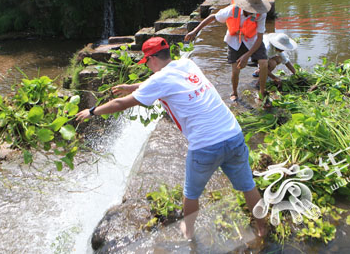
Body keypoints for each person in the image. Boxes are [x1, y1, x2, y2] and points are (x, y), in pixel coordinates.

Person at [76, 37, 267, 239]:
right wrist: (133, 87)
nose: (147, 66)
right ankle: (262, 228)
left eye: (146, 62)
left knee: (191, 194)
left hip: (205, 145)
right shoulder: (186, 63)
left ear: (152, 59)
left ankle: (189, 232)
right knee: (248, 186)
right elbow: (164, 81)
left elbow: (120, 104)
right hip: (233, 133)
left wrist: (92, 111)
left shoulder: (158, 80)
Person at [185, 0, 270, 103]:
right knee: (235, 69)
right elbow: (212, 17)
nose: (252, 12)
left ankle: (262, 92)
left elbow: (259, 38)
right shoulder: (232, 10)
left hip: (252, 39)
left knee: (264, 63)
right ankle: (234, 92)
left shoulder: (261, 13)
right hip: (234, 40)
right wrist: (195, 31)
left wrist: (247, 56)